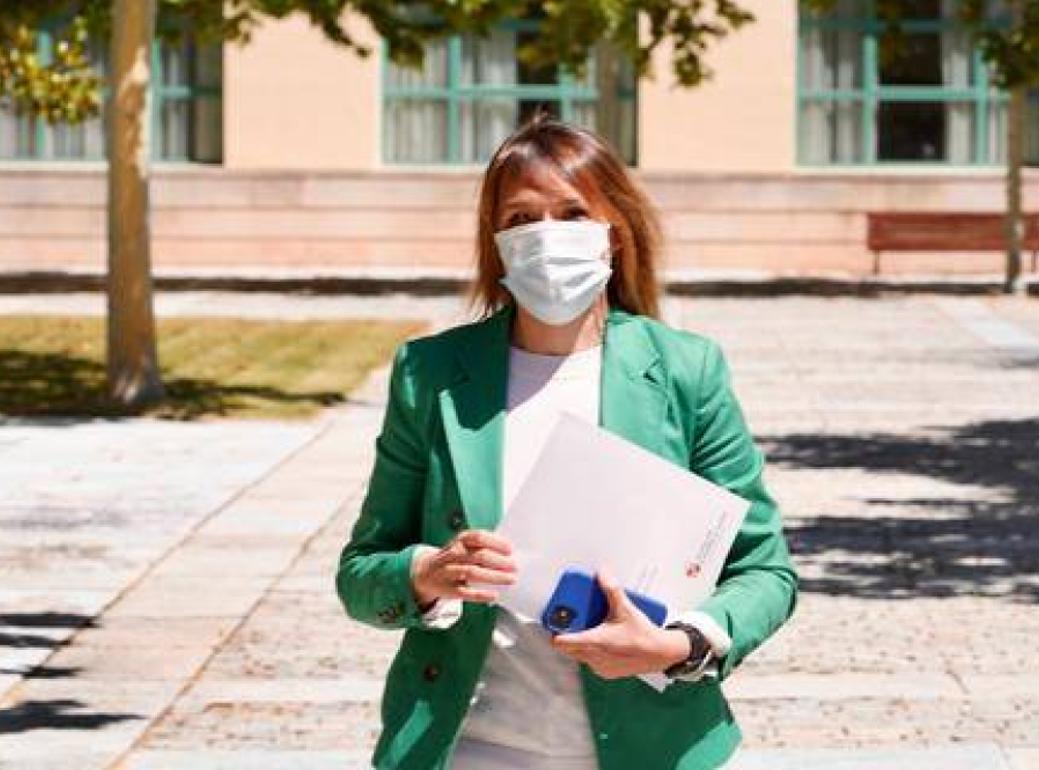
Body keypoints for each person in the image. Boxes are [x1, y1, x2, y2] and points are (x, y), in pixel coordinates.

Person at [336, 114, 799, 770]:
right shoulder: (431, 374)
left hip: (655, 748)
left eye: (572, 212)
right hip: (470, 749)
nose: (547, 235)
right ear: (496, 240)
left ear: (615, 231)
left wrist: (676, 646)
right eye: (522, 218)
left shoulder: (686, 370)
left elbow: (765, 571)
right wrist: (426, 574)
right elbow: (361, 572)